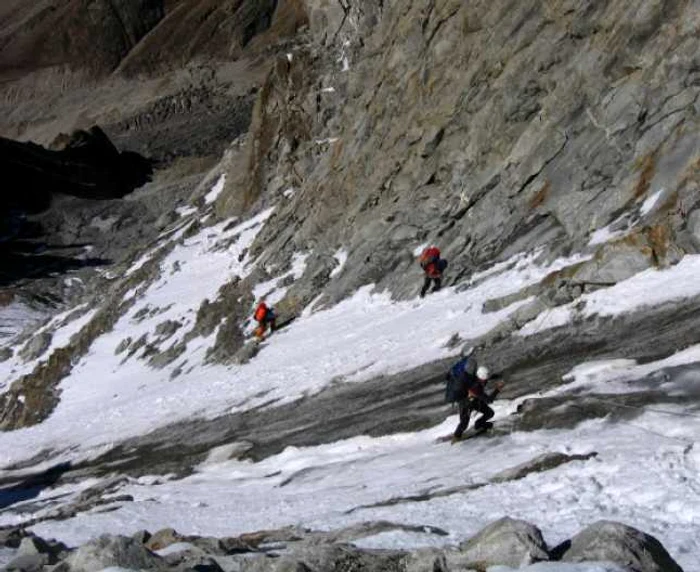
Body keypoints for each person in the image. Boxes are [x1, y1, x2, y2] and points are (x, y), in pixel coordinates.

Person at [446, 357, 504, 442]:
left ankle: (479, 424)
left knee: (489, 413)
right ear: (481, 378)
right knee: (464, 424)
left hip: (475, 401)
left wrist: (497, 376)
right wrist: (498, 389)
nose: (486, 381)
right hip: (466, 404)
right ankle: (455, 439)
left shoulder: (477, 378)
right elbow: (489, 400)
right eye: (485, 379)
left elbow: (487, 378)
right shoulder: (475, 388)